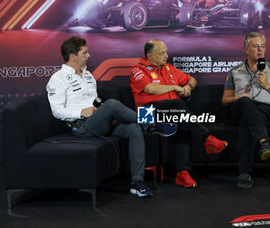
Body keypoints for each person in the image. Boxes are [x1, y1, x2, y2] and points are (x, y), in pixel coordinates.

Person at [46, 36, 153, 197]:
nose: (88, 56)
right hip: (81, 127)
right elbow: (57, 111)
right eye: (85, 53)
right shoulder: (57, 79)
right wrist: (80, 112)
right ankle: (152, 124)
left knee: (133, 128)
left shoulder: (88, 75)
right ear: (72, 55)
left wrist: (98, 112)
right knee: (111, 104)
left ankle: (137, 183)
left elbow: (94, 102)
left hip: (98, 122)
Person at [130, 39, 228, 188]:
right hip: (148, 113)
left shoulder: (168, 68)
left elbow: (192, 79)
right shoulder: (138, 69)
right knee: (178, 105)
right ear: (150, 56)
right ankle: (207, 139)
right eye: (162, 53)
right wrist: (175, 87)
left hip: (172, 112)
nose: (166, 56)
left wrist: (188, 86)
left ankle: (183, 173)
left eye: (166, 52)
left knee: (182, 120)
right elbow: (150, 89)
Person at [222, 32, 270, 189]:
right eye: (255, 46)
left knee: (248, 122)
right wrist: (239, 98)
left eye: (263, 46)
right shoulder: (235, 71)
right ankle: (264, 142)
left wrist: (268, 86)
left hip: (265, 111)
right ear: (246, 49)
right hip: (239, 108)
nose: (260, 50)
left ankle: (245, 173)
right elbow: (225, 100)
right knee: (246, 101)